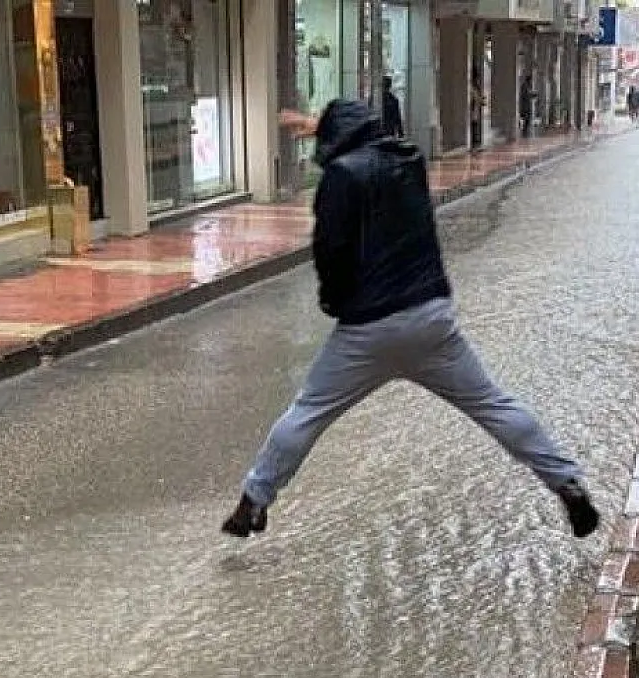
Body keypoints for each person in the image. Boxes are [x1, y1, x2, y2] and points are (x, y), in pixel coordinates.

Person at [220, 100, 600, 540]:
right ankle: (565, 482)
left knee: (308, 412)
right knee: (494, 406)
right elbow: (363, 145)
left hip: (367, 328)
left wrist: (334, 302)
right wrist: (321, 125)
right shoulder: (410, 160)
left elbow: (331, 252)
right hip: (430, 318)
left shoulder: (340, 177)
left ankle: (252, 504)